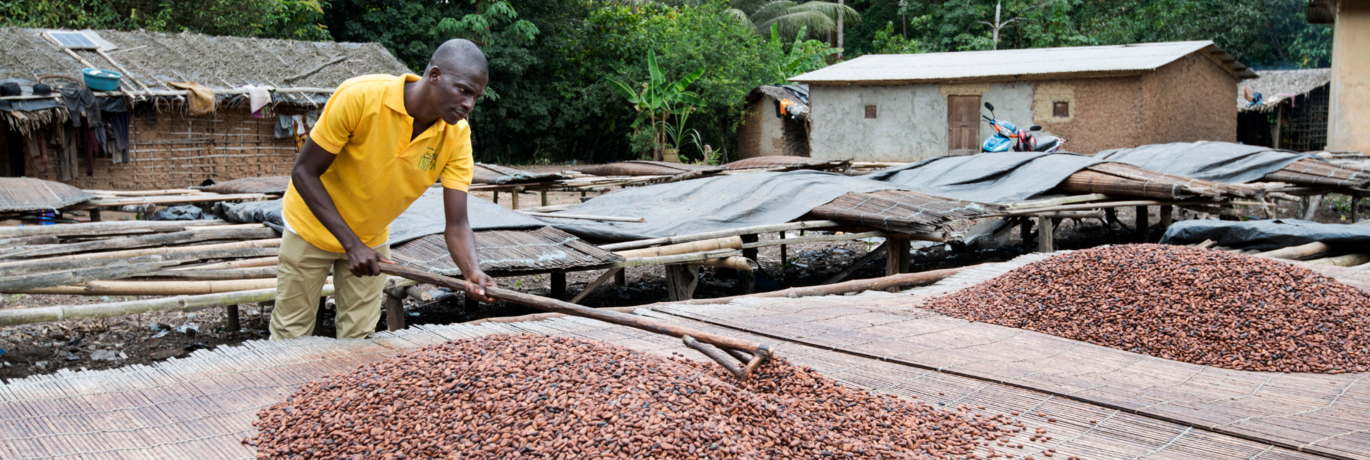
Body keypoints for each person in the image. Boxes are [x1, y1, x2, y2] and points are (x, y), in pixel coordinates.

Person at [270, 39, 497, 340]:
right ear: (435, 76)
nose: (469, 104)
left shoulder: (456, 136)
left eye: (476, 96)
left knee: (359, 339)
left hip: (370, 239)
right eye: (463, 90)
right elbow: (304, 173)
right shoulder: (360, 97)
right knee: (290, 335)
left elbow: (457, 223)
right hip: (310, 228)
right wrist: (351, 245)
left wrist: (472, 271)